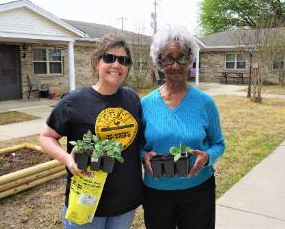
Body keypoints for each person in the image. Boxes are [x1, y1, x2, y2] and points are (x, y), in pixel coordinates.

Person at [39, 34, 144, 229]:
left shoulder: (133, 98)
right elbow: (46, 137)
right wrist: (68, 159)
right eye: (109, 58)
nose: (117, 64)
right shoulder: (74, 101)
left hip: (125, 201)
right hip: (86, 200)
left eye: (123, 60)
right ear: (97, 62)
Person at [141, 26, 225, 229]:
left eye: (182, 58)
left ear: (191, 60)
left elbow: (218, 144)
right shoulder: (145, 104)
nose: (176, 65)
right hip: (157, 192)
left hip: (198, 190)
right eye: (169, 58)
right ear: (160, 62)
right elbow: (137, 145)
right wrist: (142, 156)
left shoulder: (205, 102)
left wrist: (207, 158)